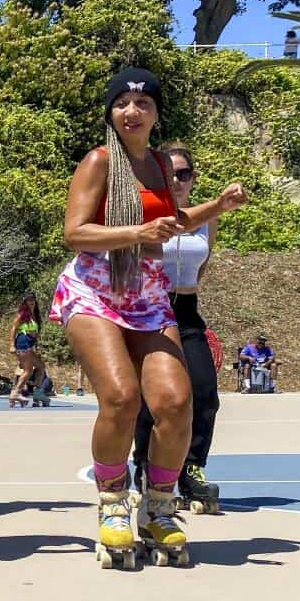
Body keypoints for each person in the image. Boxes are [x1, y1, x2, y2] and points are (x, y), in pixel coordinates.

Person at [50, 68, 247, 568]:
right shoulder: (98, 162)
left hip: (147, 296)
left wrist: (215, 207)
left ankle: (158, 508)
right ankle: (114, 505)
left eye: (143, 103)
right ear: (110, 112)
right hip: (94, 291)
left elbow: (170, 224)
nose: (132, 111)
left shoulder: (160, 165)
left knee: (176, 402)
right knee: (120, 396)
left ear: (156, 114)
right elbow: (75, 233)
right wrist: (138, 234)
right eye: (122, 103)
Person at [132, 145, 223, 514]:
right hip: (150, 309)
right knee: (150, 397)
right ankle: (143, 467)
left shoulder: (207, 218)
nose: (177, 180)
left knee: (204, 393)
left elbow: (203, 262)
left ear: (193, 178)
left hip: (186, 310)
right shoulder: (147, 214)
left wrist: (185, 292)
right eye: (169, 174)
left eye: (184, 174)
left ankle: (191, 468)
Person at [8, 292, 49, 407]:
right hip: (22, 343)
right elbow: (13, 329)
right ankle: (15, 393)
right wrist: (11, 344)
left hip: (29, 345)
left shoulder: (34, 315)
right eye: (28, 300)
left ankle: (37, 392)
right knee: (28, 371)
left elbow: (35, 333)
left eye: (33, 299)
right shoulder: (22, 314)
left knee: (41, 366)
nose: (31, 302)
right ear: (25, 302)